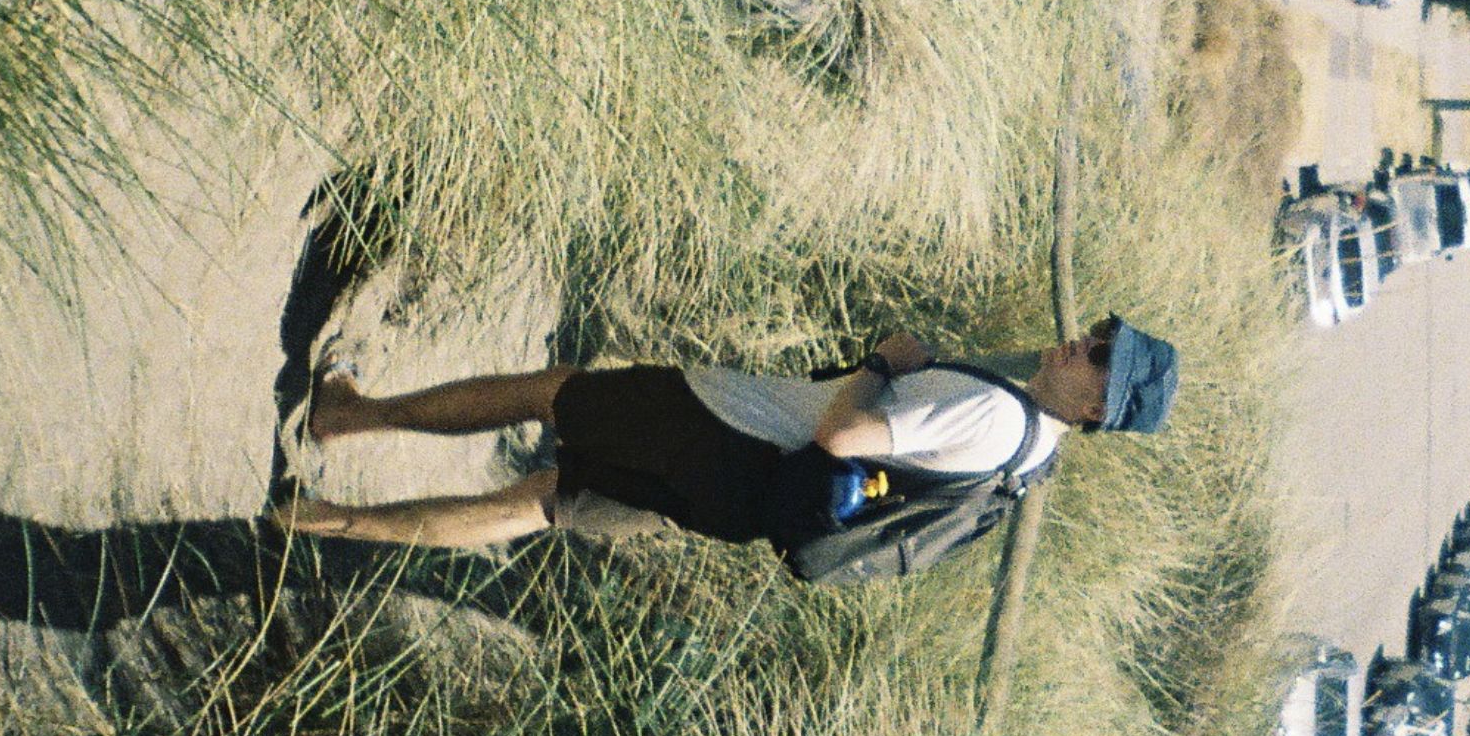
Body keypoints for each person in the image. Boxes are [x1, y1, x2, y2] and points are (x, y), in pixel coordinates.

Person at [272, 317, 1179, 553]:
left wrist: (881, 361)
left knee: (552, 394)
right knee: (536, 508)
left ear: (1098, 410)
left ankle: (350, 415)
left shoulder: (997, 414)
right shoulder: (1030, 458)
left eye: (1100, 357)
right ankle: (317, 520)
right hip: (738, 502)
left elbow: (848, 433)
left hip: (722, 430)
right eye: (1099, 337)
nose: (1081, 343)